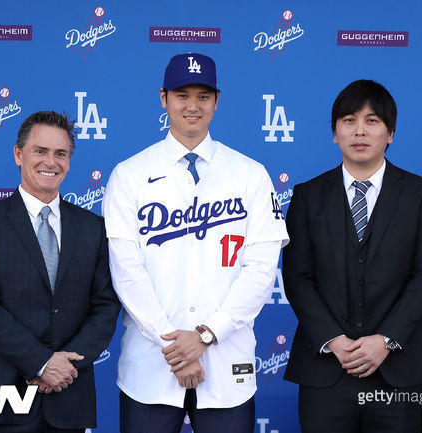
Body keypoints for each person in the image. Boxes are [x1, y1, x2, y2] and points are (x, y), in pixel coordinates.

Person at [102, 53, 289, 433]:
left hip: (226, 362)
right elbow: (126, 271)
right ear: (163, 98)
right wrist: (176, 347)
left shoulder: (251, 174)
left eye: (203, 96)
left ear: (217, 101)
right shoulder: (129, 175)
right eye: (181, 94)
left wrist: (205, 336)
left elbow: (261, 271)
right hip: (152, 365)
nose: (192, 105)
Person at [282, 80, 422, 433]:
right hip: (325, 370)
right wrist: (335, 342)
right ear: (335, 132)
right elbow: (297, 278)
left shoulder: (420, 193)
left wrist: (385, 339)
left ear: (390, 133)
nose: (359, 130)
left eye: (372, 121)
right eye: (349, 120)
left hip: (398, 371)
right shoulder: (308, 196)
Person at [0, 111, 121, 433]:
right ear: (19, 154)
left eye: (61, 153)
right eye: (40, 151)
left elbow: (105, 305)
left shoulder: (93, 228)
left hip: (69, 396)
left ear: (70, 161)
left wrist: (65, 367)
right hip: (3, 398)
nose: (51, 161)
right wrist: (42, 363)